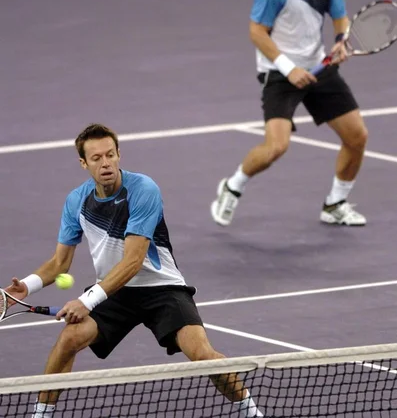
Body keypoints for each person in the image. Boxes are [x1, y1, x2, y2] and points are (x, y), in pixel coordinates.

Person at [5, 124, 263, 418]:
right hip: (114, 290)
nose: (105, 164)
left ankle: (251, 412)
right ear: (83, 163)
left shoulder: (143, 190)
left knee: (204, 356)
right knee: (69, 339)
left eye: (110, 155)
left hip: (162, 289)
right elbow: (59, 264)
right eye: (97, 158)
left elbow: (133, 262)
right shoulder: (77, 200)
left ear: (118, 154)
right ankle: (41, 414)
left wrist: (86, 301)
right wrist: (26, 287)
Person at [211, 0, 368, 228]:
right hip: (279, 73)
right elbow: (257, 32)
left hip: (319, 67)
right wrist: (289, 68)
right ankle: (233, 186)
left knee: (357, 136)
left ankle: (335, 204)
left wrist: (341, 40)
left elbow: (339, 15)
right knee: (276, 148)